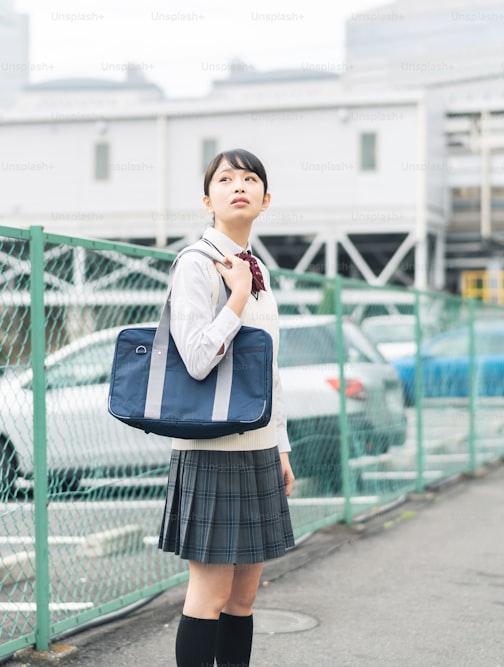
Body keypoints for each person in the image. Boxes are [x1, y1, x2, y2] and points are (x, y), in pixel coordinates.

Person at [157, 148, 296, 667]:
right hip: (210, 447)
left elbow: (270, 373)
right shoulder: (196, 265)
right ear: (207, 198)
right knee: (209, 597)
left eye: (251, 178)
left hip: (258, 446)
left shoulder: (256, 270)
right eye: (226, 178)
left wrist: (281, 447)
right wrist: (235, 299)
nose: (239, 185)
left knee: (243, 598)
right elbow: (195, 359)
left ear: (265, 199)